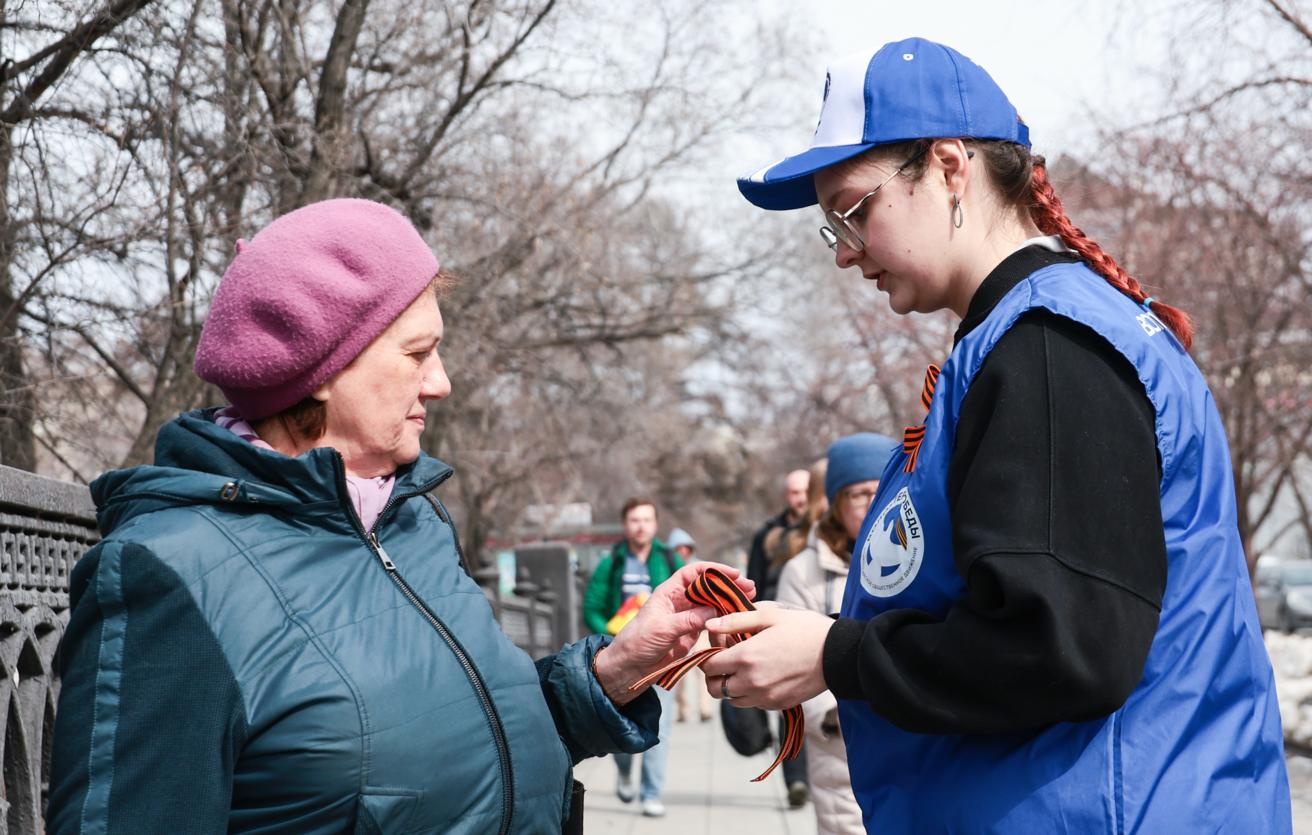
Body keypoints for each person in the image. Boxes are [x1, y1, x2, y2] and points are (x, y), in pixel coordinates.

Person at [703, 37, 1290, 833]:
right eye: (830, 228)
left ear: (949, 167)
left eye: (853, 211)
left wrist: (834, 654)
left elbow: (1063, 645)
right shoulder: (1027, 337)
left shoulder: (1049, 349)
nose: (844, 252)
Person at [45, 198, 753, 834]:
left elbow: (470, 745)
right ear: (325, 368)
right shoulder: (167, 574)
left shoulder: (414, 521)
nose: (440, 382)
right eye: (417, 353)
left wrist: (614, 672)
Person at [776, 434, 895, 835]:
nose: (872, 502)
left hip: (914, 744)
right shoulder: (804, 572)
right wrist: (832, 716)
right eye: (859, 494)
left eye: (881, 489)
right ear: (836, 502)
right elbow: (788, 656)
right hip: (842, 755)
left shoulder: (918, 558)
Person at [582, 499, 685, 817]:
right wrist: (611, 638)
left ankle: (651, 793)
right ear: (625, 524)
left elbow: (687, 600)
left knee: (660, 727)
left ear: (656, 524)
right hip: (622, 658)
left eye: (646, 519)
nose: (641, 526)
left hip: (663, 657)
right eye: (634, 520)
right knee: (621, 725)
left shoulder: (669, 559)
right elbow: (592, 607)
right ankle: (625, 770)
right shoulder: (611, 562)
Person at [744, 468, 812, 807]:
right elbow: (753, 582)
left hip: (815, 619)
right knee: (790, 703)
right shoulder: (768, 534)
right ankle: (797, 780)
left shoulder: (825, 527)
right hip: (775, 623)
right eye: (794, 492)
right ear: (786, 496)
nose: (799, 499)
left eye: (805, 492)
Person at [668, 528, 714, 723]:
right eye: (678, 549)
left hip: (701, 626)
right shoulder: (668, 570)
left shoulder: (699, 568)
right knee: (681, 672)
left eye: (685, 548)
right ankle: (683, 710)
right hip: (679, 628)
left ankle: (705, 709)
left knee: (703, 667)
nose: (683, 552)